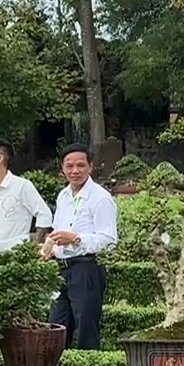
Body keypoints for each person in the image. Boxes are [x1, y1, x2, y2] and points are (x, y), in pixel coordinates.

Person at [40, 145, 118, 349]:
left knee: (86, 327)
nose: (75, 171)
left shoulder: (101, 198)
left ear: (90, 167)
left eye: (81, 165)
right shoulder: (63, 196)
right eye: (70, 166)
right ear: (62, 168)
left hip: (87, 268)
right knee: (56, 326)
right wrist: (49, 247)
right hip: (61, 269)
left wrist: (76, 239)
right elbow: (58, 231)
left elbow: (108, 240)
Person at [0, 138, 53, 270]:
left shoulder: (22, 186)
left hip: (16, 256)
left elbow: (44, 214)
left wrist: (34, 245)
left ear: (0, 159)